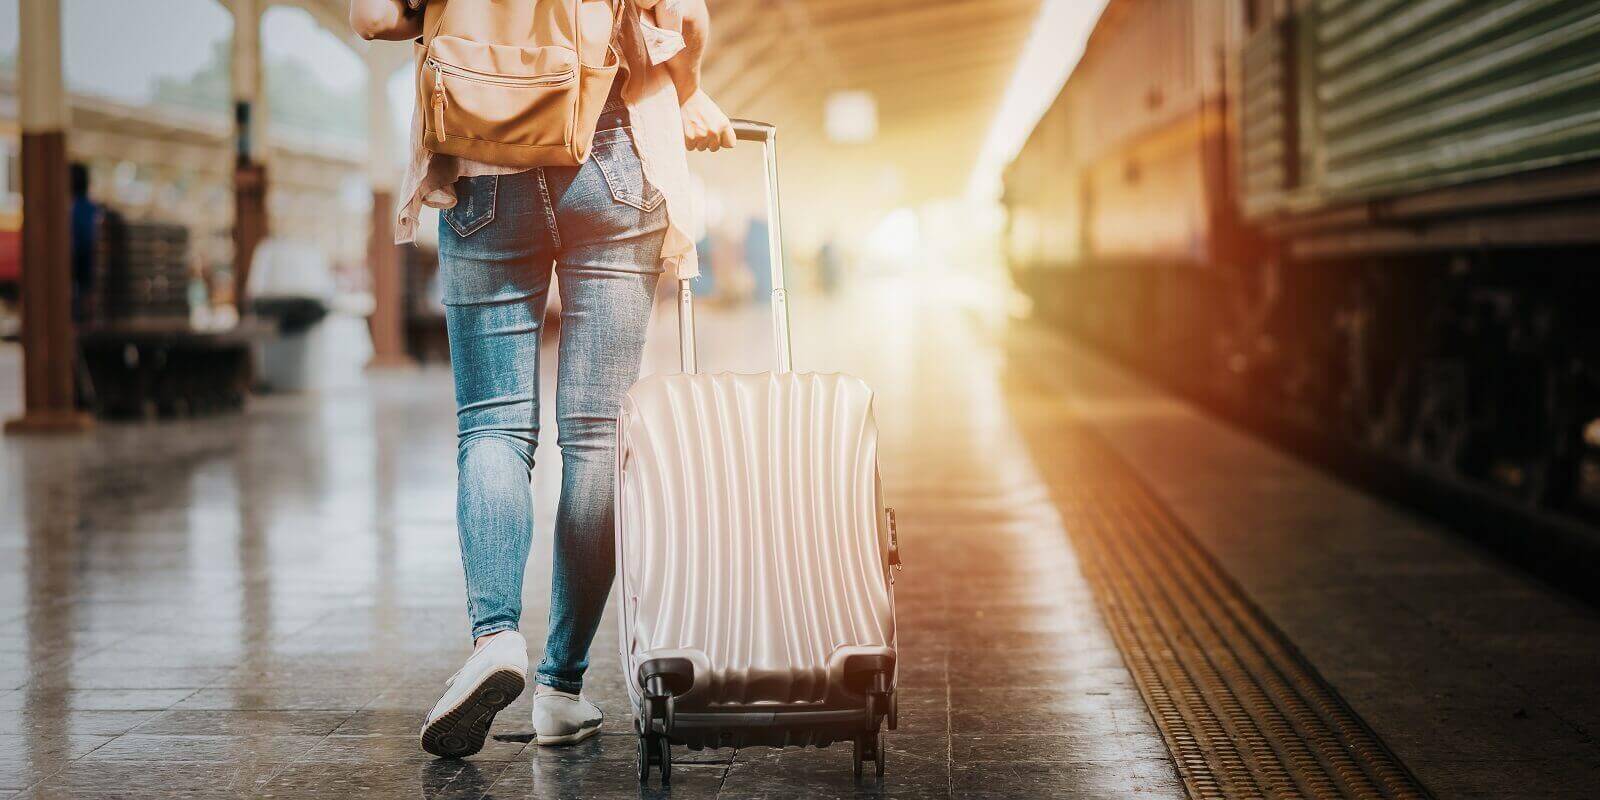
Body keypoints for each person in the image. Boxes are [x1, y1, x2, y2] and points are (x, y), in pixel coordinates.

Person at [349, 0, 736, 758]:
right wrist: (689, 91)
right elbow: (685, 16)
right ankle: (561, 689)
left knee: (492, 423)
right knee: (596, 439)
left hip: (481, 153)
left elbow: (372, 16)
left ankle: (496, 639)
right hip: (614, 145)